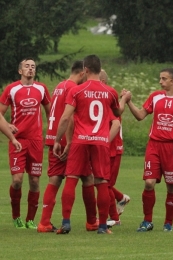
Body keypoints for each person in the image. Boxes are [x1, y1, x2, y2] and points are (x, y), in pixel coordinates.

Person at [53, 55, 130, 235]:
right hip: (101, 142)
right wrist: (124, 99)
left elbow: (66, 118)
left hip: (80, 140)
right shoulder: (110, 92)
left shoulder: (77, 91)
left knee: (71, 178)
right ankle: (102, 226)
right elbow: (117, 112)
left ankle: (65, 223)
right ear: (99, 68)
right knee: (102, 182)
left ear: (85, 70)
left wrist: (58, 140)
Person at [122, 68, 173, 232]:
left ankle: (168, 223)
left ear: (172, 81)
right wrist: (128, 102)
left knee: (171, 186)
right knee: (149, 183)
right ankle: (147, 221)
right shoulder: (155, 96)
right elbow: (141, 115)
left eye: (163, 79)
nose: (160, 81)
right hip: (154, 145)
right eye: (160, 78)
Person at [37, 60, 98, 232]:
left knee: (55, 179)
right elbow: (69, 116)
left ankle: (44, 222)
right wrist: (69, 141)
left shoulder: (60, 85)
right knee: (87, 177)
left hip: (53, 136)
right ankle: (92, 221)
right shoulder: (73, 88)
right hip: (67, 137)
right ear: (82, 73)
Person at [0, 58, 51, 229]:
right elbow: (0, 114)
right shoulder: (11, 89)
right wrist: (7, 126)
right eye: (27, 67)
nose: (30, 69)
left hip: (36, 141)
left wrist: (52, 134)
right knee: (17, 180)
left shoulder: (41, 88)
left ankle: (30, 220)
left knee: (35, 181)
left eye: (33, 67)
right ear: (20, 71)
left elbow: (50, 112)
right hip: (18, 141)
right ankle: (16, 218)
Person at [99, 70, 130, 226]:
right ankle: (120, 199)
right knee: (101, 182)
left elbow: (116, 119)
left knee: (105, 184)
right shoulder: (99, 95)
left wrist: (124, 100)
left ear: (102, 80)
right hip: (103, 145)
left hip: (113, 147)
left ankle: (114, 218)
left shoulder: (108, 95)